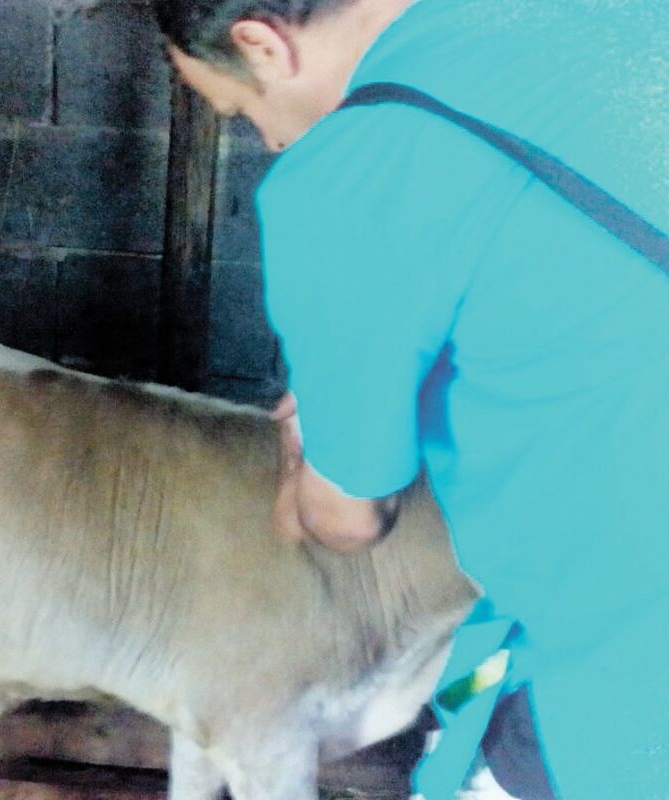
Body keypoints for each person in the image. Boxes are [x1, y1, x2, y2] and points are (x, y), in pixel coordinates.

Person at [152, 1, 669, 798]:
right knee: (469, 694)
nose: (270, 138)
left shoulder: (348, 175)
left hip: (621, 669)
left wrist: (301, 453)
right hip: (570, 609)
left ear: (261, 42)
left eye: (243, 109)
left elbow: (347, 518)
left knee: (483, 748)